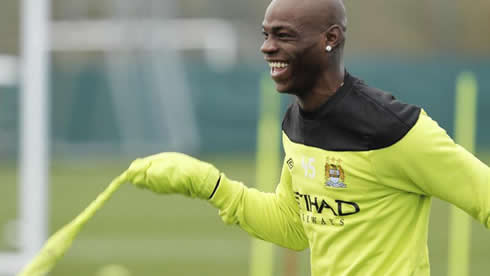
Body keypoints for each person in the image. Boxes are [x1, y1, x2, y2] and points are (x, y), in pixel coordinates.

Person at [126, 0, 490, 275]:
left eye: (283, 35)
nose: (267, 47)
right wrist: (211, 185)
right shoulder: (295, 123)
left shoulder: (393, 128)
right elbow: (293, 226)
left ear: (330, 39)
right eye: (265, 34)